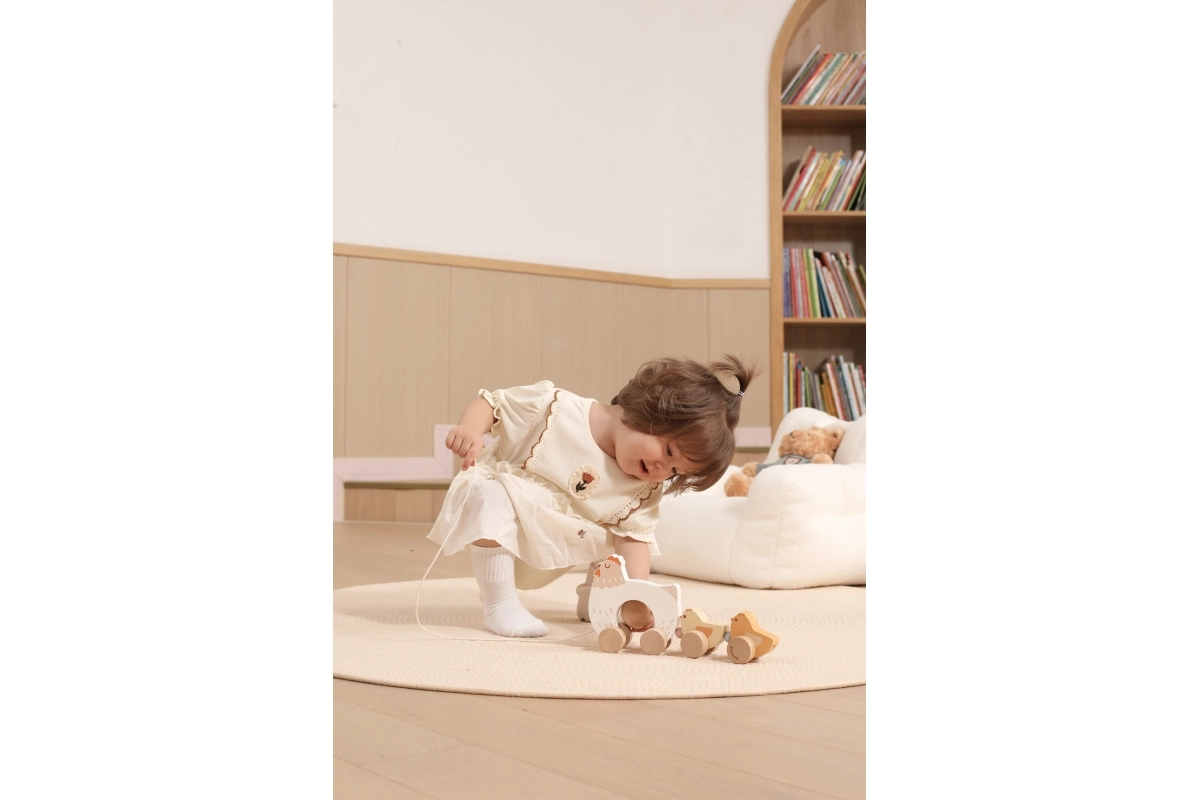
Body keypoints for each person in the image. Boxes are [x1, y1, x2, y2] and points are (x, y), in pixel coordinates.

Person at [428, 354, 758, 637]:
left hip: (560, 545)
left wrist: (636, 598)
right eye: (669, 451)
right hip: (506, 532)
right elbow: (493, 404)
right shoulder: (554, 408)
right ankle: (499, 603)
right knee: (488, 491)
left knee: (621, 530)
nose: (661, 470)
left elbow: (635, 541)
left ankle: (598, 599)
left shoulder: (643, 489)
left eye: (674, 472)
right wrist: (470, 428)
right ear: (648, 409)